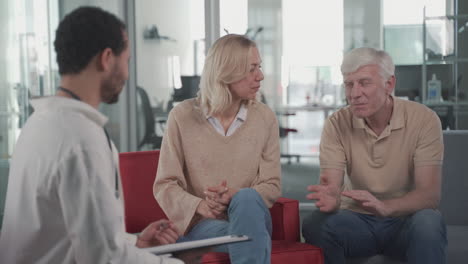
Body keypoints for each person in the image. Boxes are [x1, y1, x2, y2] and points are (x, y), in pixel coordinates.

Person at [0, 6, 184, 264]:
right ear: (107, 58)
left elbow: (68, 230)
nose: (127, 73)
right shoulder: (80, 138)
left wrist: (135, 241)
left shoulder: (39, 123)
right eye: (126, 61)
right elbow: (105, 258)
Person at [302, 47, 447, 263]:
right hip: (358, 222)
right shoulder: (337, 123)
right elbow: (332, 186)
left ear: (389, 84)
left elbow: (429, 195)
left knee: (429, 222)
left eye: (364, 83)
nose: (354, 93)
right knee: (315, 225)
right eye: (349, 84)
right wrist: (332, 200)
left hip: (405, 221)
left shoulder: (424, 120)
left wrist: (386, 207)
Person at [154, 34, 281, 264]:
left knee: (246, 198)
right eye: (252, 68)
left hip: (253, 215)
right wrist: (201, 206)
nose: (260, 76)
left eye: (259, 67)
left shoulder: (265, 118)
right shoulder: (181, 116)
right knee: (249, 238)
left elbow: (272, 185)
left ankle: (189, 247)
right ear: (227, 71)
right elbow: (165, 184)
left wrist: (234, 197)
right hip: (205, 225)